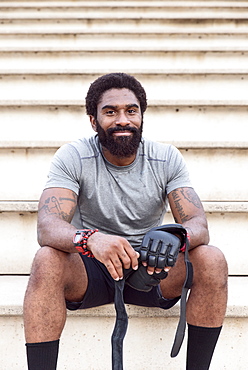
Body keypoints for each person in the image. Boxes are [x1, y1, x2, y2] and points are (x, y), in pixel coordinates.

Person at [23, 72, 228, 369]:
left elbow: (199, 224)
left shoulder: (165, 157)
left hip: (151, 268)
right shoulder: (73, 156)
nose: (123, 120)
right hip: (91, 267)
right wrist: (90, 239)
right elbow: (48, 225)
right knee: (46, 259)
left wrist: (176, 236)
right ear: (94, 121)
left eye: (131, 111)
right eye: (110, 112)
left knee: (211, 258)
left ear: (142, 116)